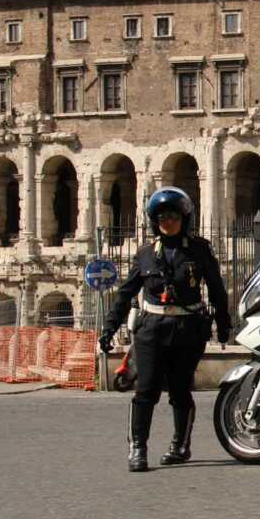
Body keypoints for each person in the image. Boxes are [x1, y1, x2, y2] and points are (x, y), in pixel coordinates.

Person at [99, 187, 231, 471]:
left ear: (184, 219)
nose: (167, 222)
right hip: (151, 330)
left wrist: (223, 324)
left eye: (173, 216)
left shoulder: (199, 250)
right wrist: (109, 328)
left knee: (181, 390)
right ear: (153, 221)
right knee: (145, 390)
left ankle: (180, 446)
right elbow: (125, 294)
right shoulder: (145, 254)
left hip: (187, 329)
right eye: (161, 217)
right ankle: (138, 448)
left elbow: (217, 290)